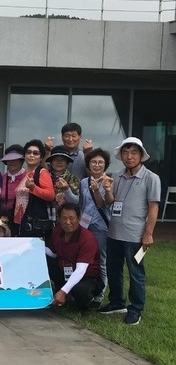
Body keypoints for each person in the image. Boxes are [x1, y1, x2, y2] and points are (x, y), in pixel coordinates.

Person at [99, 137, 161, 325]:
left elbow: (153, 207)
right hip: (114, 233)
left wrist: (148, 233)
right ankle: (117, 302)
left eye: (134, 152)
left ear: (141, 155)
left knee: (136, 272)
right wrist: (108, 189)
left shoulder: (151, 178)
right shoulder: (116, 176)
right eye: (125, 153)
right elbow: (110, 202)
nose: (129, 156)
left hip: (136, 236)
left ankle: (136, 309)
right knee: (113, 269)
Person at [46, 203, 103, 316]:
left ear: (79, 219)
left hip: (87, 276)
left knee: (80, 290)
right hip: (64, 269)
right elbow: (53, 253)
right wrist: (34, 246)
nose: (67, 222)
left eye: (71, 218)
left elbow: (81, 270)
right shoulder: (57, 231)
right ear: (59, 219)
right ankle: (59, 292)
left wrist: (63, 291)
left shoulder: (88, 238)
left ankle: (85, 304)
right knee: (44, 261)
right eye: (64, 218)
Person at [79, 148, 112, 307]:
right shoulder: (83, 182)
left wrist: (97, 190)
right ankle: (86, 290)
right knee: (85, 257)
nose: (97, 165)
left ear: (105, 165)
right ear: (88, 164)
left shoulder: (108, 181)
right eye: (93, 162)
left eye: (100, 162)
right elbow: (81, 204)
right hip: (85, 225)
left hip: (101, 227)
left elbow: (102, 204)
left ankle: (99, 295)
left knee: (101, 259)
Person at [14, 139, 56, 238]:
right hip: (21, 222)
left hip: (33, 224)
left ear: (41, 158)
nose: (31, 155)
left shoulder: (42, 172)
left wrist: (33, 188)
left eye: (35, 153)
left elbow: (50, 195)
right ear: (24, 156)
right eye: (28, 152)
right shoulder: (24, 174)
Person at [47, 145, 80, 222]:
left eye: (62, 160)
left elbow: (75, 202)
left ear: (67, 163)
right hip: (45, 220)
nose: (59, 162)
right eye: (55, 159)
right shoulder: (44, 177)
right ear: (51, 162)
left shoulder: (73, 179)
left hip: (66, 221)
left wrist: (67, 189)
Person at [0, 144, 26, 236]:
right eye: (9, 160)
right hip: (5, 220)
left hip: (22, 220)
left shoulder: (28, 176)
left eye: (15, 160)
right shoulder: (2, 177)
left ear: (21, 161)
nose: (12, 162)